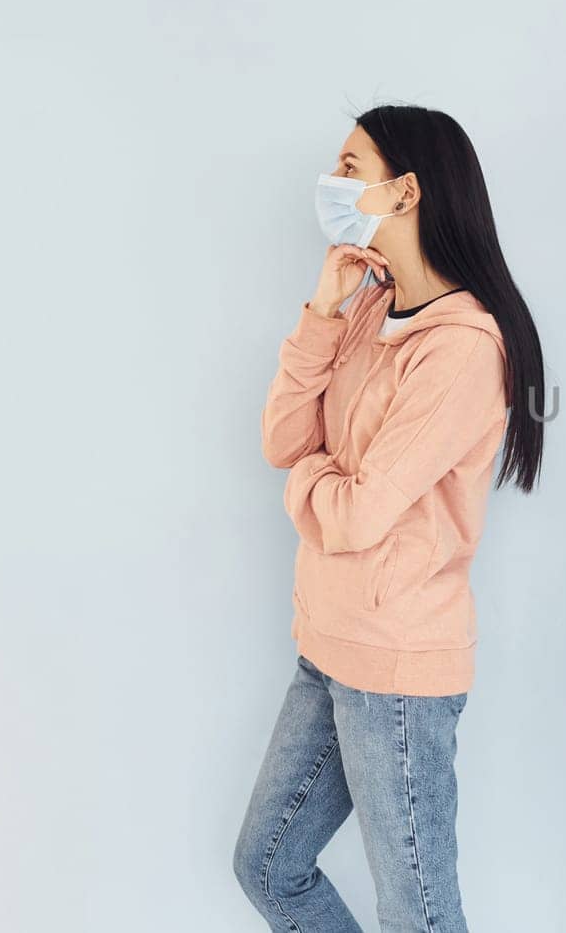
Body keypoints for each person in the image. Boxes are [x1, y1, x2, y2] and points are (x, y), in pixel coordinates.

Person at [233, 105, 545, 931]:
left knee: (418, 910)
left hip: (398, 670)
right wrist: (324, 310)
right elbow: (282, 438)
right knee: (268, 862)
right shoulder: (368, 306)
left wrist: (312, 475)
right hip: (328, 645)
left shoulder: (465, 346)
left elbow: (358, 512)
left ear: (404, 191)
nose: (332, 183)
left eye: (349, 165)